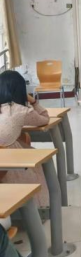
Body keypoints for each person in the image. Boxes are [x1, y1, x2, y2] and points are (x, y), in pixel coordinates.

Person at [0, 71, 50, 208]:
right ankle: (40, 208)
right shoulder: (21, 110)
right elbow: (45, 118)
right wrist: (33, 101)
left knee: (24, 142)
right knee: (35, 161)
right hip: (7, 156)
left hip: (4, 150)